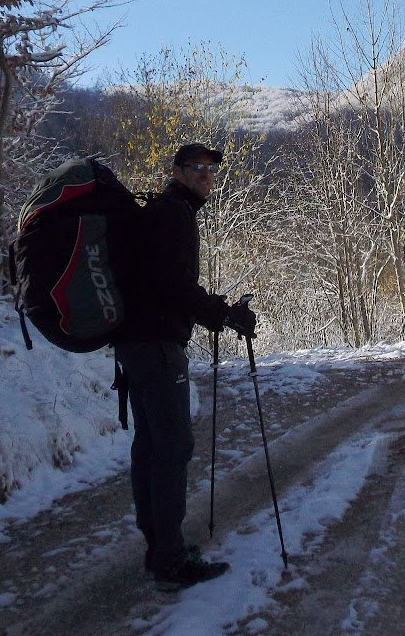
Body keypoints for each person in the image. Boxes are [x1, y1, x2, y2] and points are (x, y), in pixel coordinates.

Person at [115, 142, 257, 589]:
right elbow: (172, 286)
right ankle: (170, 562)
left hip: (135, 344)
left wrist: (215, 311)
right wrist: (224, 314)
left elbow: (162, 281)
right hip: (157, 344)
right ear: (176, 172)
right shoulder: (174, 214)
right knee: (172, 447)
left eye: (211, 169)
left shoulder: (163, 211)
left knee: (151, 446)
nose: (206, 175)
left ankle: (160, 550)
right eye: (196, 167)